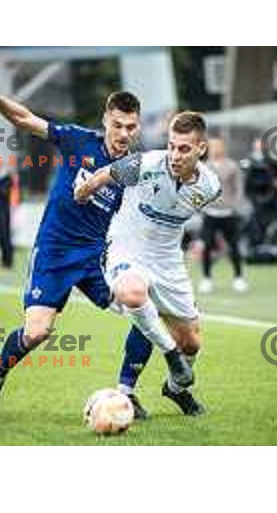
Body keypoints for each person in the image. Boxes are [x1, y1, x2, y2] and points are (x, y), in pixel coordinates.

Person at [0, 64, 152, 422]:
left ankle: (127, 390)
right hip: (54, 251)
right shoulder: (77, 139)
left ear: (137, 127)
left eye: (130, 126)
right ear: (105, 121)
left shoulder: (136, 169)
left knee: (143, 307)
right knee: (37, 332)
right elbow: (25, 119)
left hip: (96, 258)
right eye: (117, 125)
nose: (123, 133)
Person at [75, 111, 222, 416]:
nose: (175, 155)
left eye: (184, 149)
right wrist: (84, 190)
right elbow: (106, 174)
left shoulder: (210, 186)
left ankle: (175, 388)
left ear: (201, 149)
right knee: (133, 293)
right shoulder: (146, 164)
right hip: (126, 248)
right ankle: (170, 358)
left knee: (192, 342)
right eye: (172, 146)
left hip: (168, 260)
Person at [199, 138, 247, 294]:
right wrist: (202, 206)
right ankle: (206, 278)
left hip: (228, 213)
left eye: (218, 146)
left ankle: (239, 278)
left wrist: (235, 206)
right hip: (210, 212)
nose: (215, 149)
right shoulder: (203, 167)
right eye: (212, 147)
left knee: (234, 246)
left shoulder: (232, 166)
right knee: (207, 246)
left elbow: (239, 188)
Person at [244, 139, 277, 249]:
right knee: (255, 226)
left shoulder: (272, 163)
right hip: (256, 201)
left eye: (261, 147)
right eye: (257, 147)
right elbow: (246, 184)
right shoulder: (248, 163)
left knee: (275, 225)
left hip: (272, 200)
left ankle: (275, 247)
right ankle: (255, 249)